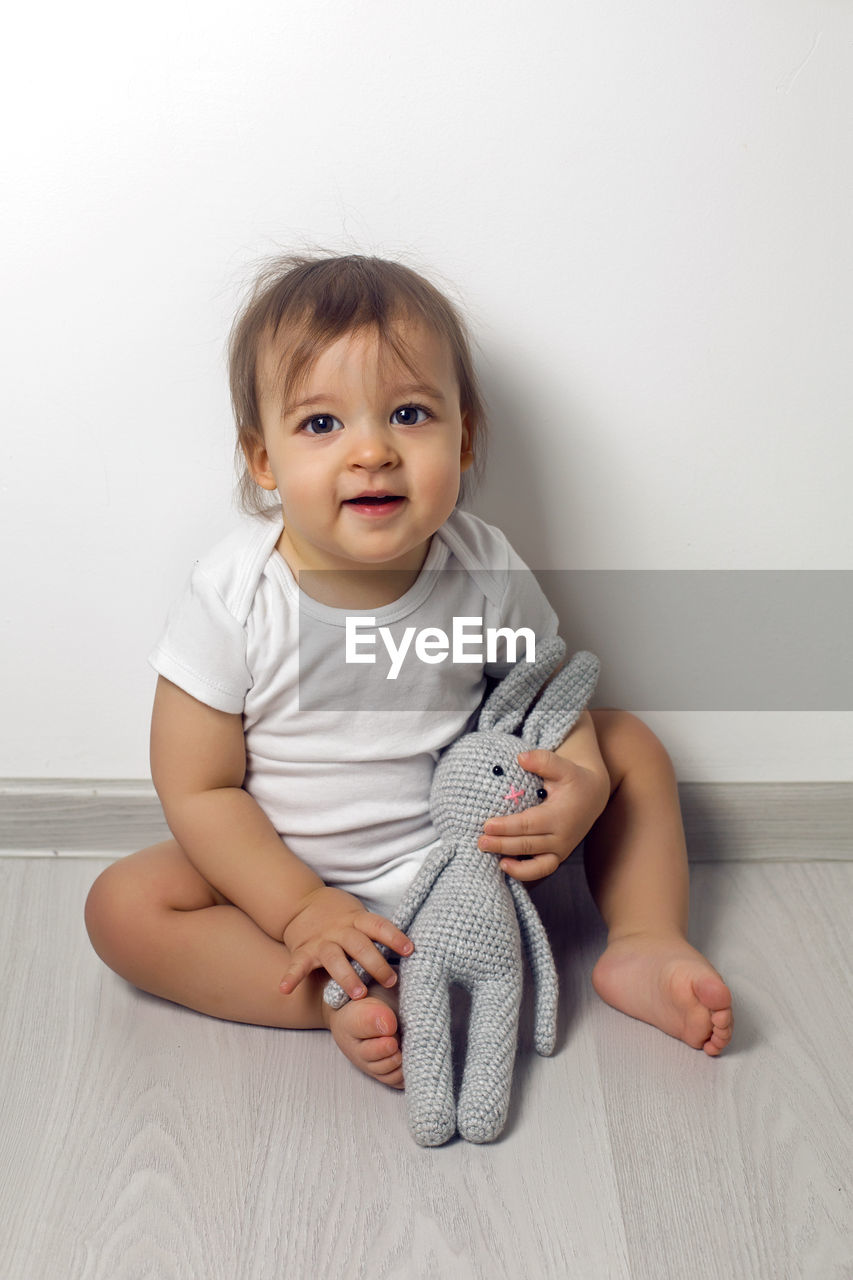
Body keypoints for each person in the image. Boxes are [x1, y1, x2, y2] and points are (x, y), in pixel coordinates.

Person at [85, 254, 732, 1088]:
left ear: (461, 439)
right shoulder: (235, 593)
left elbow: (546, 694)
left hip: (465, 863)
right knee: (123, 908)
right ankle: (332, 994)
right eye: (322, 425)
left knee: (629, 746)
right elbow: (197, 788)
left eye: (408, 413)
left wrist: (577, 780)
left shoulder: (480, 565)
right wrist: (301, 908)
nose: (371, 452)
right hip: (283, 869)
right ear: (264, 460)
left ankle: (644, 941)